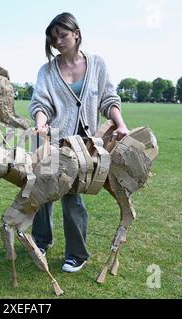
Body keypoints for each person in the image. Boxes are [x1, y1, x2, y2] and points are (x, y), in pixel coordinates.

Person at [29, 12, 130, 273]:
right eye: (53, 38)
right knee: (42, 192)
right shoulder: (47, 71)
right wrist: (41, 122)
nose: (58, 42)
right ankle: (41, 241)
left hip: (85, 146)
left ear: (76, 33)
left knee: (72, 197)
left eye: (63, 35)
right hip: (52, 141)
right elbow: (41, 102)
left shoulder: (96, 64)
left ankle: (76, 254)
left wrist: (120, 123)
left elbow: (108, 98)